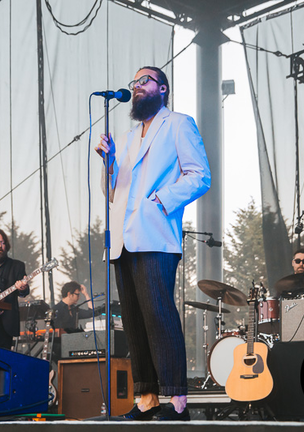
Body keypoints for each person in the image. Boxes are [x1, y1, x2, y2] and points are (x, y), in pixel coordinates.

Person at [93, 66, 210, 421]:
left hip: (156, 236)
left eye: (144, 81)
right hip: (123, 240)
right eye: (134, 82)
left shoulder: (179, 124)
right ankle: (147, 399)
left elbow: (200, 176)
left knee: (159, 316)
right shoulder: (126, 138)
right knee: (133, 322)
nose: (137, 86)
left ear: (162, 89)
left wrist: (161, 200)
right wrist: (108, 165)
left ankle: (177, 401)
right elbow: (113, 193)